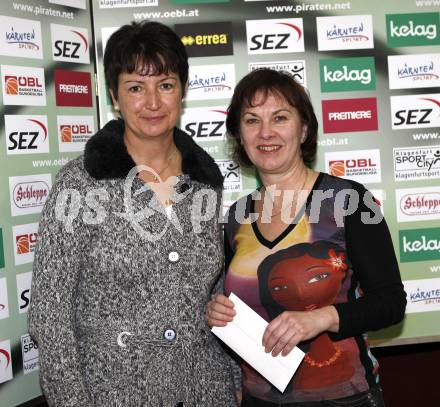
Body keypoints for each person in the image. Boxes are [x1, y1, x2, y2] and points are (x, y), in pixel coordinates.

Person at [29, 21, 236, 406]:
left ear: (183, 91)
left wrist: (235, 376)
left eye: (166, 85)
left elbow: (214, 289)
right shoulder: (80, 184)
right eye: (136, 88)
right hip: (112, 394)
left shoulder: (206, 182)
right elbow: (49, 314)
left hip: (206, 391)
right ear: (114, 95)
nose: (153, 103)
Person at [206, 68, 406, 406]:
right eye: (252, 120)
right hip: (260, 400)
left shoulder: (349, 201)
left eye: (280, 117)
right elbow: (243, 311)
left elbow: (390, 303)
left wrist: (323, 317)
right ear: (240, 135)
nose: (266, 132)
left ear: (304, 130)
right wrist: (218, 313)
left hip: (344, 397)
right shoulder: (236, 217)